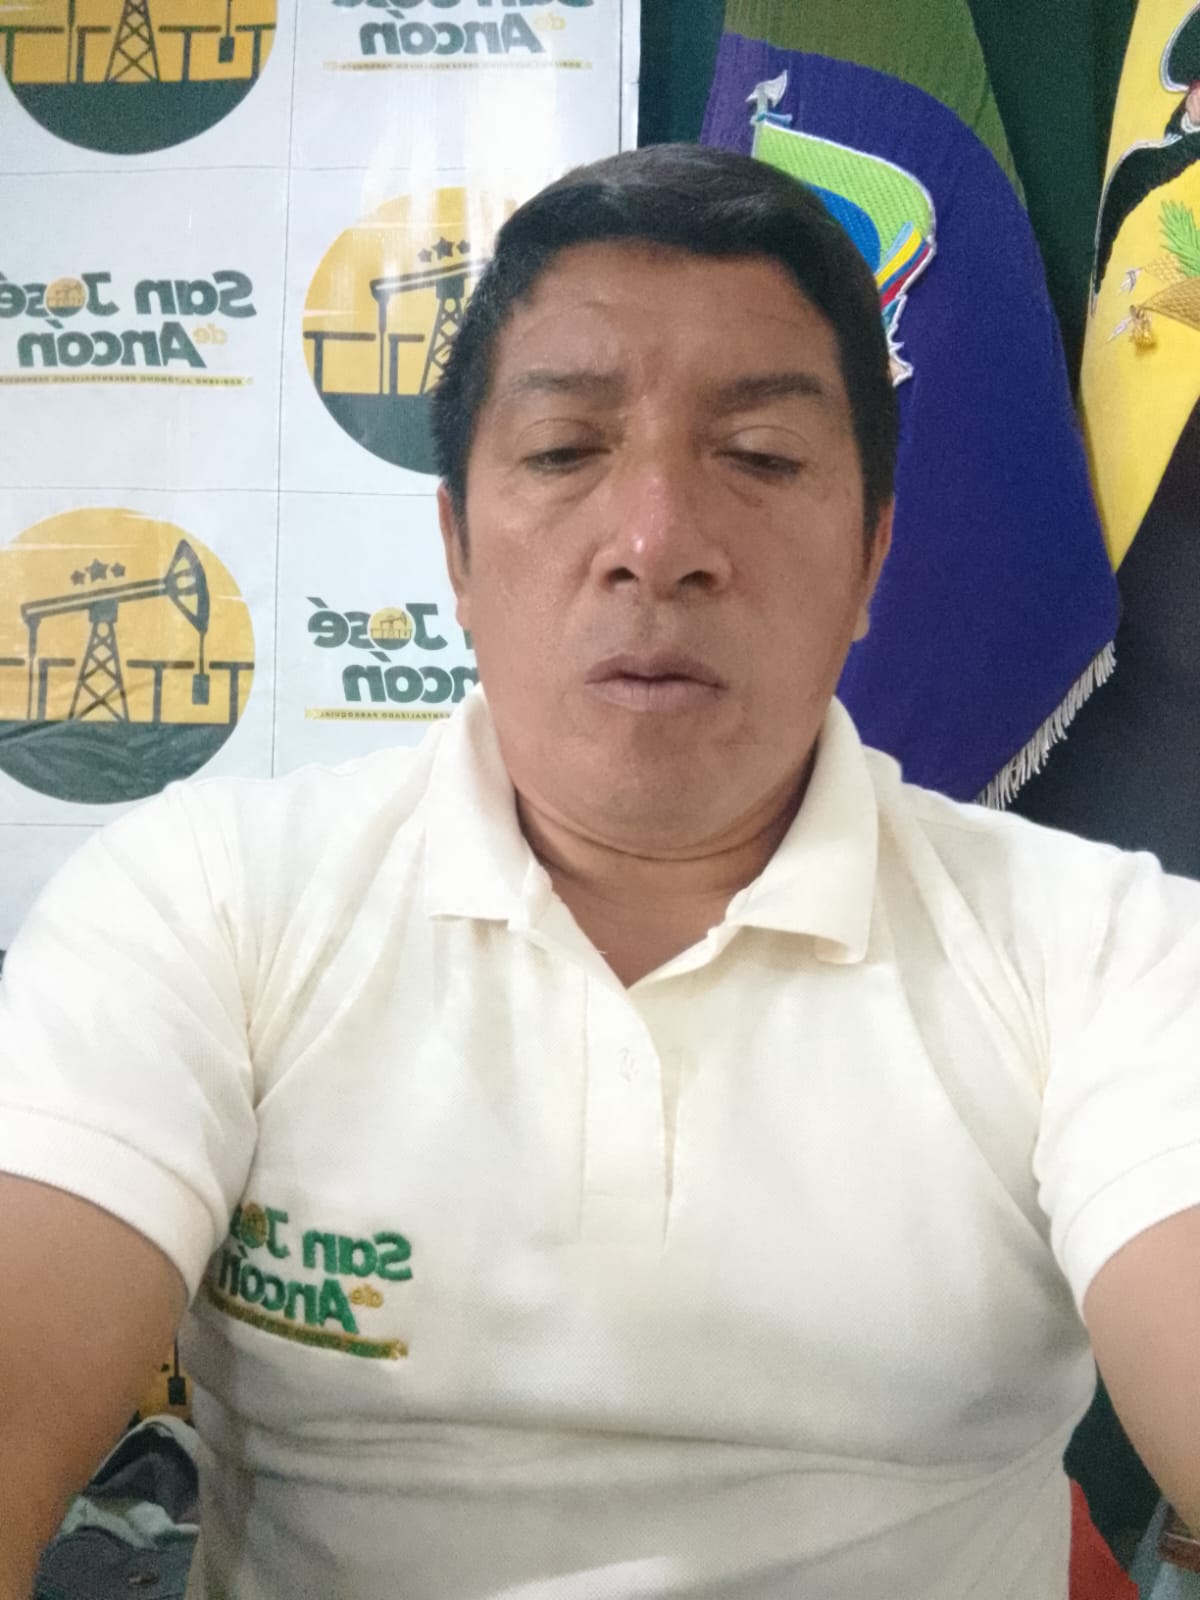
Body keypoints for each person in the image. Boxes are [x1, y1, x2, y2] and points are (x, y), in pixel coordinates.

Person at [0, 143, 1198, 1600]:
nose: (656, 542)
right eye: (566, 452)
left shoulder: (1101, 950)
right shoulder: (205, 905)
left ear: (872, 555)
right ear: (456, 546)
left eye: (760, 458)